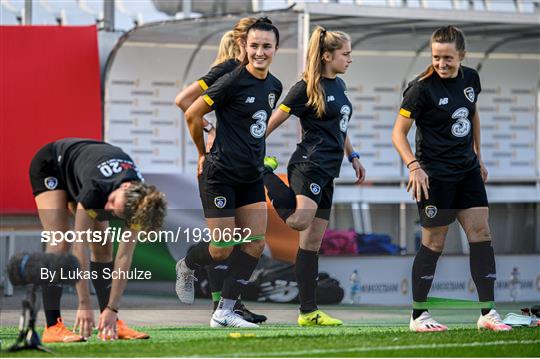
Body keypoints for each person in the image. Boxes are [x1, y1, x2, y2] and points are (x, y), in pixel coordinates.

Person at [391, 25, 511, 332]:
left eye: (448, 58)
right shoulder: (420, 88)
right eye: (436, 57)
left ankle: (487, 312)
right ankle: (418, 316)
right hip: (435, 177)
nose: (441, 64)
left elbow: (472, 115)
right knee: (434, 242)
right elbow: (398, 133)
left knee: (482, 234)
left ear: (462, 55)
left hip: (468, 172)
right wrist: (414, 166)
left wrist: (479, 155)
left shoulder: (471, 78)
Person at [175, 17, 282, 328]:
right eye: (254, 46)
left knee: (255, 243)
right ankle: (188, 264)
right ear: (244, 48)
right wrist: (201, 150)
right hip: (220, 175)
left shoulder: (275, 85)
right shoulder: (232, 79)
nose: (260, 52)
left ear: (275, 48)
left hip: (250, 176)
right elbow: (192, 111)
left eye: (266, 46)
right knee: (222, 250)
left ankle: (225, 312)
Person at [262, 26, 365, 326]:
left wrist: (353, 155)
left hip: (329, 170)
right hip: (309, 164)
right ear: (327, 56)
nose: (349, 59)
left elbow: (339, 128)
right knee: (298, 220)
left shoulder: (340, 86)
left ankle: (308, 313)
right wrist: (252, 150)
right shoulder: (305, 87)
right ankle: (264, 174)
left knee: (311, 244)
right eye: (345, 54)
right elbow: (272, 121)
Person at [29, 138, 167, 342]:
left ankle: (110, 321)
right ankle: (52, 325)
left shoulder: (140, 204)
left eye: (115, 212)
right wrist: (84, 304)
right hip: (53, 164)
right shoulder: (97, 190)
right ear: (125, 186)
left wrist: (113, 308)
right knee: (60, 242)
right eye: (111, 203)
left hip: (85, 168)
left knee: (104, 247)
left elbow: (124, 257)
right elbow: (79, 246)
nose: (108, 210)